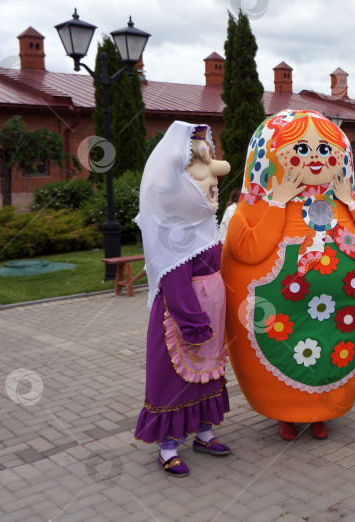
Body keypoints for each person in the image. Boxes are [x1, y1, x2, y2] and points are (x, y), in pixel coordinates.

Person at [221, 109, 355, 442]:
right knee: (286, 353)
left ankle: (322, 412)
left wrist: (350, 204)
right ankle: (286, 415)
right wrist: (278, 202)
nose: (313, 159)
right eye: (300, 149)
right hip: (282, 311)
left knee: (332, 354)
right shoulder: (257, 203)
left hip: (343, 311)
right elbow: (248, 250)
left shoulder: (345, 202)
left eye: (324, 150)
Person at [134, 122, 233, 477]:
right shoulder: (172, 229)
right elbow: (175, 280)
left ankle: (204, 432)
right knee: (175, 378)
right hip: (183, 316)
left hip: (211, 311)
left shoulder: (204, 224)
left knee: (209, 374)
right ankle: (167, 446)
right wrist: (193, 319)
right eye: (200, 169)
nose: (213, 177)